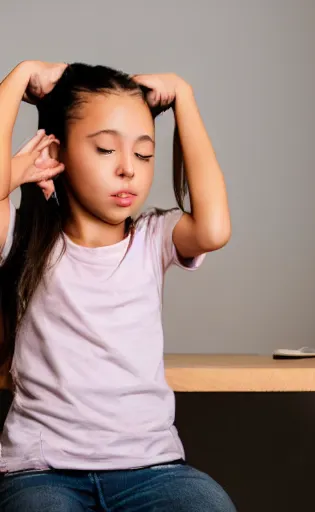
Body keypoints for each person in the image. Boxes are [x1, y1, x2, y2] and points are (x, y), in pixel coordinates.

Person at [0, 60, 234, 511]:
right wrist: (18, 77)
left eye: (143, 154)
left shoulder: (152, 239)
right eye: (106, 149)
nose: (129, 169)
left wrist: (184, 95)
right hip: (42, 473)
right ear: (55, 151)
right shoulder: (22, 234)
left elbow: (215, 227)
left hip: (152, 469)